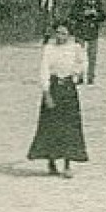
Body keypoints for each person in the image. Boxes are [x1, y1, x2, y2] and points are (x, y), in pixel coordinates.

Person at [27, 22, 88, 177]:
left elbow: (83, 63)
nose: (61, 37)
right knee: (51, 124)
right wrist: (46, 92)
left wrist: (76, 74)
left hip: (68, 88)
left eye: (64, 33)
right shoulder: (49, 49)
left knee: (69, 125)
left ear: (69, 35)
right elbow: (44, 69)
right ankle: (51, 161)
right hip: (54, 87)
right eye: (58, 33)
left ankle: (67, 164)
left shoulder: (75, 48)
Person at [68, 0, 106, 84]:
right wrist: (83, 14)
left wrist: (96, 14)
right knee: (79, 55)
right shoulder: (79, 1)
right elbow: (72, 14)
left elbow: (103, 16)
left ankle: (91, 77)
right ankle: (80, 76)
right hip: (81, 30)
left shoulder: (98, 2)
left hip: (93, 31)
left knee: (92, 56)